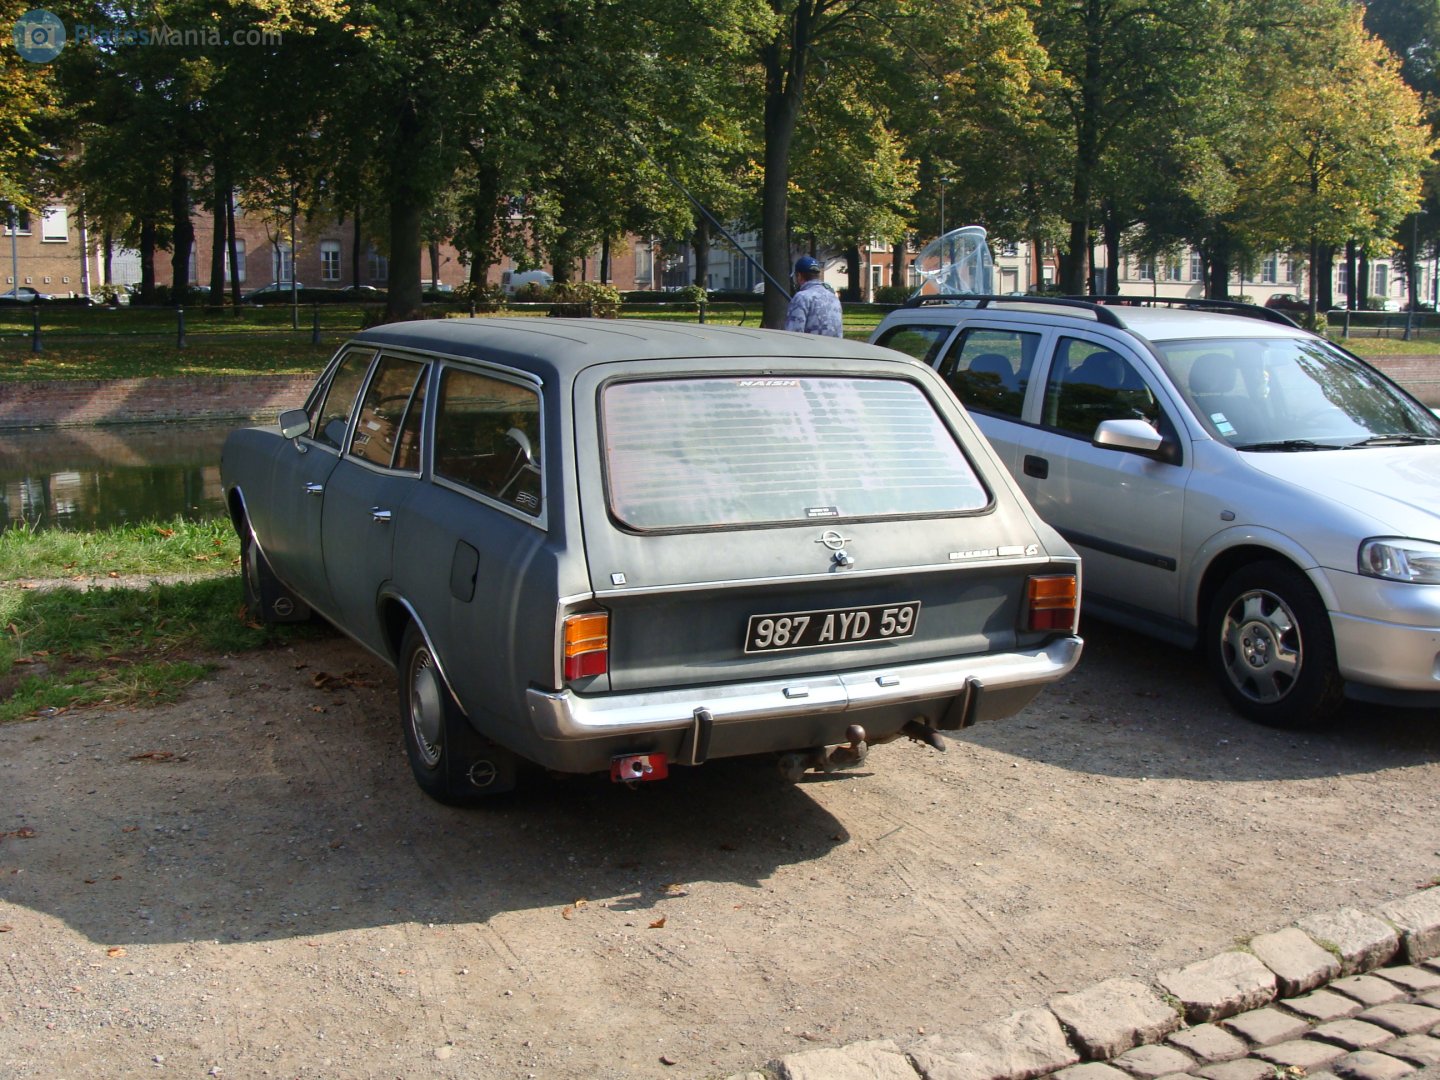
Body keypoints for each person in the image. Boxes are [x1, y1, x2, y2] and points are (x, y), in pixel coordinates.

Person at [784, 255, 843, 337]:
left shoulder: (801, 297)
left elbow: (793, 334)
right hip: (835, 348)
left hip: (811, 349)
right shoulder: (834, 298)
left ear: (799, 276)